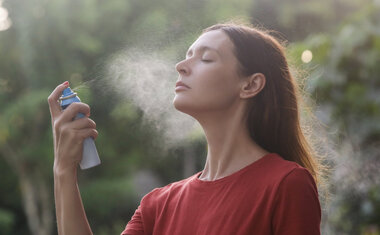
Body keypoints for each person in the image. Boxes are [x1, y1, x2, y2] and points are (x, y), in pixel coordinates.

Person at [48, 22, 322, 235]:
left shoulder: (285, 185)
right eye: (187, 55)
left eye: (205, 58)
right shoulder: (157, 206)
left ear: (250, 85)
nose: (181, 66)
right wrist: (63, 169)